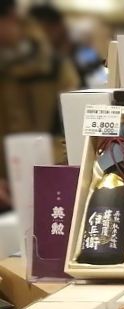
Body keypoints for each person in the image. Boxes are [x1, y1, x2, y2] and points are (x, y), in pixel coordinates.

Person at [0, 0, 80, 212]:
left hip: (47, 182)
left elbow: (68, 129)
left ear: (12, 19)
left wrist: (47, 175)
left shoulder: (54, 68)